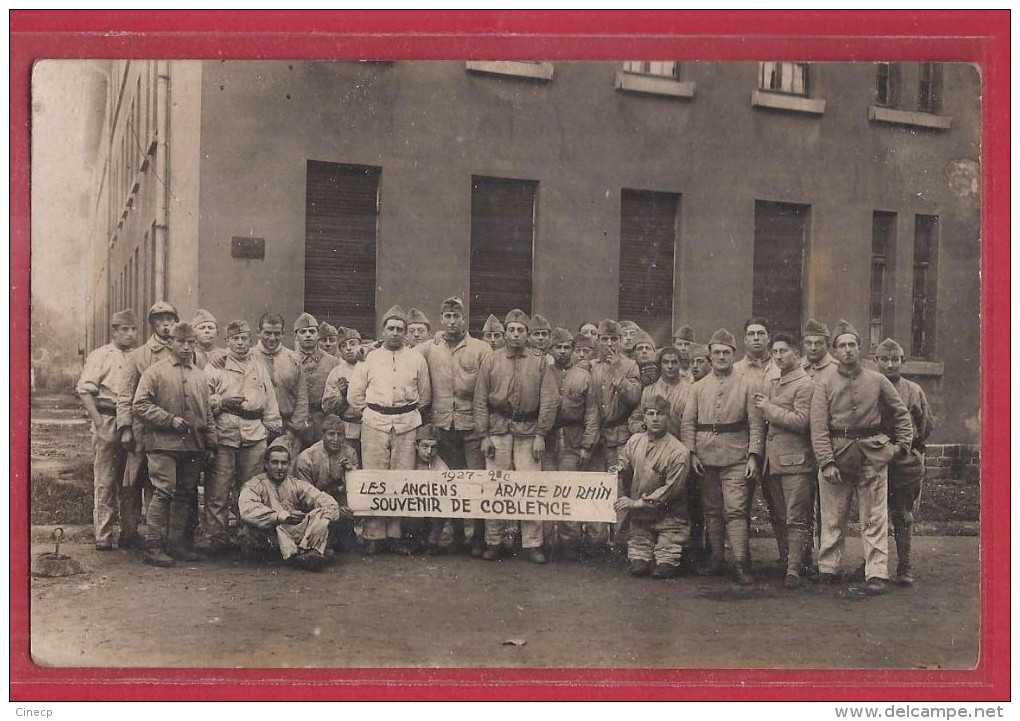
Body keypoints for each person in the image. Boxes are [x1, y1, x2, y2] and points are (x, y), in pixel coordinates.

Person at [810, 320, 913, 595]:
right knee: (833, 516)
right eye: (841, 345)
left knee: (874, 516)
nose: (847, 350)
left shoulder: (877, 379)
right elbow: (818, 425)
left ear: (860, 348)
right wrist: (826, 461)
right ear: (835, 349)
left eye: (852, 345)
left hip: (872, 454)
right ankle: (828, 568)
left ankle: (876, 571)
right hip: (837, 453)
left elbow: (901, 413)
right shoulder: (824, 382)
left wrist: (901, 446)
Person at [680, 328, 765, 586]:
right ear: (709, 355)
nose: (721, 357)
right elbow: (688, 423)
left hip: (737, 456)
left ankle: (740, 562)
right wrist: (692, 453)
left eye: (726, 353)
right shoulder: (697, 387)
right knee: (712, 510)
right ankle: (717, 558)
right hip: (705, 458)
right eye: (716, 352)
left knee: (736, 510)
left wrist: (753, 456)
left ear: (733, 354)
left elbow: (756, 423)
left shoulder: (747, 384)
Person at [473, 309, 559, 563]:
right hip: (498, 430)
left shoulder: (540, 362)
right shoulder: (491, 360)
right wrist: (484, 435)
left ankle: (533, 544)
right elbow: (480, 400)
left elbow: (549, 400)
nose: (516, 334)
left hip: (528, 432)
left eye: (521, 330)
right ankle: (494, 540)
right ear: (505, 333)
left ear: (527, 334)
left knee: (530, 488)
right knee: (495, 487)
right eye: (511, 330)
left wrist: (541, 434)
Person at [131, 322, 217, 566]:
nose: (187, 347)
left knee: (185, 494)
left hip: (193, 446)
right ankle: (153, 545)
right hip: (163, 444)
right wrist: (169, 420)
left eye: (191, 342)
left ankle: (176, 545)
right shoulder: (155, 372)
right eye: (181, 342)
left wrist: (211, 442)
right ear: (171, 343)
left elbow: (207, 412)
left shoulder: (200, 376)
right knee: (163, 491)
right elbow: (139, 406)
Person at [348, 305, 432, 554]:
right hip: (375, 422)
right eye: (390, 328)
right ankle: (374, 535)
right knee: (375, 477)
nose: (395, 333)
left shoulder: (416, 358)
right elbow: (354, 394)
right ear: (383, 330)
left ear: (405, 332)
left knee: (401, 478)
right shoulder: (369, 358)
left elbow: (425, 395)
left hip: (406, 423)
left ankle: (395, 535)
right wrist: (372, 412)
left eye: (400, 329)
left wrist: (405, 413)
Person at [416, 296, 491, 555]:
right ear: (441, 319)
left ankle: (478, 537)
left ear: (464, 319)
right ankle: (458, 536)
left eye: (456, 316)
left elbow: (485, 392)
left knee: (476, 482)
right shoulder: (429, 348)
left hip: (471, 426)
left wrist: (484, 430)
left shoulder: (481, 349)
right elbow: (404, 357)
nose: (451, 321)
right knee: (449, 483)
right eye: (446, 316)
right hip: (443, 427)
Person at [203, 319, 283, 552]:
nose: (240, 343)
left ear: (251, 340)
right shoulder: (215, 366)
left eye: (244, 339)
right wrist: (221, 401)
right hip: (225, 433)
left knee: (250, 488)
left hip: (254, 433)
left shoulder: (258, 365)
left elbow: (270, 400)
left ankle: (247, 535)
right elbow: (203, 400)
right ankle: (215, 537)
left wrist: (269, 428)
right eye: (235, 339)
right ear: (227, 341)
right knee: (218, 488)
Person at [752, 332, 816, 589]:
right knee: (778, 515)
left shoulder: (805, 384)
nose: (778, 356)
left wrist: (769, 409)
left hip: (796, 462)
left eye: (784, 351)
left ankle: (794, 569)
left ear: (797, 354)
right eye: (775, 351)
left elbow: (802, 421)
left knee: (796, 516)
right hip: (773, 462)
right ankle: (787, 559)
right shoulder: (774, 382)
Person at [115, 300, 179, 549]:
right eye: (161, 320)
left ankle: (158, 537)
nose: (166, 325)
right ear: (152, 324)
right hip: (142, 431)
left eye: (170, 320)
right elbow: (125, 395)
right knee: (133, 483)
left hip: (169, 431)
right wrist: (125, 428)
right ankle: (129, 533)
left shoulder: (182, 352)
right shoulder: (138, 355)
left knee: (161, 484)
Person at [874, 337, 936, 585]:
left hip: (903, 461)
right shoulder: (871, 386)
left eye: (895, 359)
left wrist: (910, 447)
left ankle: (904, 566)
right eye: (884, 359)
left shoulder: (913, 390)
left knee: (903, 513)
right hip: (876, 457)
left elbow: (925, 425)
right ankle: (873, 565)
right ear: (876, 361)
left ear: (902, 361)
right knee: (875, 514)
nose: (890, 364)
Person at [77, 308, 138, 550]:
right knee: (106, 480)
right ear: (115, 331)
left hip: (132, 422)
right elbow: (85, 391)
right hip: (107, 418)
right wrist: (99, 423)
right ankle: (103, 534)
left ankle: (129, 533)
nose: (130, 334)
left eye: (134, 329)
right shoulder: (101, 355)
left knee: (131, 481)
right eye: (125, 329)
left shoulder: (140, 356)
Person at [612, 395, 691, 579]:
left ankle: (668, 554)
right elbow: (625, 461)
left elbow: (671, 491)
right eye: (650, 414)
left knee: (665, 567)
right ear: (644, 418)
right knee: (639, 566)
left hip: (670, 518)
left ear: (667, 417)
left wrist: (636, 503)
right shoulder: (635, 441)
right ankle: (643, 552)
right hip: (641, 519)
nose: (655, 418)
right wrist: (620, 468)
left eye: (660, 414)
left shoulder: (679, 451)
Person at [238, 438, 342, 571]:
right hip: (271, 532)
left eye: (284, 463)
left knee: (322, 514)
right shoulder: (255, 485)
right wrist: (279, 517)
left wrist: (326, 515)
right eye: (275, 463)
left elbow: (325, 499)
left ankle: (309, 553)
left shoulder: (295, 484)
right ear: (266, 464)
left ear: (289, 465)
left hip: (293, 531)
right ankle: (304, 554)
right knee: (270, 529)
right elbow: (247, 510)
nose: (280, 467)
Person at [543, 328, 600, 561]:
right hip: (547, 439)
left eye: (568, 347)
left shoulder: (584, 376)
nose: (563, 351)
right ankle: (546, 541)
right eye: (559, 347)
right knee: (546, 490)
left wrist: (587, 445)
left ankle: (569, 541)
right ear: (551, 349)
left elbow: (592, 413)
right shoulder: (543, 372)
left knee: (568, 489)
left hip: (573, 438)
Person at [587, 319, 642, 554]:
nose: (609, 344)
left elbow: (634, 398)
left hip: (619, 435)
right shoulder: (589, 365)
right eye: (604, 339)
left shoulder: (630, 365)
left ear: (620, 341)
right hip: (595, 435)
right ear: (597, 341)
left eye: (614, 339)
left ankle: (619, 541)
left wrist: (617, 374)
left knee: (619, 487)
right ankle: (596, 540)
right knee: (596, 486)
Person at [293, 414, 360, 553]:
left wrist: (351, 474)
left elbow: (355, 489)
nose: (336, 439)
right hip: (314, 506)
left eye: (339, 435)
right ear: (323, 434)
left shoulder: (350, 453)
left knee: (350, 549)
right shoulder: (307, 458)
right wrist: (331, 509)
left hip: (340, 503)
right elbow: (304, 496)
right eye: (331, 434)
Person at [253, 313, 310, 460]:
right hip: (257, 428)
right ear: (258, 332)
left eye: (277, 333)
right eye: (267, 333)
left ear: (283, 334)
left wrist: (293, 429)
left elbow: (302, 397)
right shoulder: (249, 357)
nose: (272, 338)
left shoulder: (294, 359)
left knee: (285, 472)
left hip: (288, 427)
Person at [294, 312, 340, 444]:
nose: (308, 335)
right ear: (296, 336)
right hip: (297, 420)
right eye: (303, 332)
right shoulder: (289, 359)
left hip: (324, 419)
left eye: (312, 331)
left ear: (318, 334)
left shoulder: (333, 362)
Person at [409, 424, 455, 554]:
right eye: (425, 447)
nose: (429, 452)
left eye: (433, 448)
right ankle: (413, 540)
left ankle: (432, 541)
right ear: (416, 446)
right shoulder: (408, 462)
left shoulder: (441, 467)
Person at [628, 345, 690, 439]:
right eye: (665, 362)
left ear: (680, 364)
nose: (670, 366)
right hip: (653, 445)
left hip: (680, 445)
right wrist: (644, 428)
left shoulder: (690, 391)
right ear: (660, 364)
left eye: (674, 362)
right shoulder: (648, 391)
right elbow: (635, 419)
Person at [321, 326, 365, 458]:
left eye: (353, 344)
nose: (349, 348)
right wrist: (343, 396)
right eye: (343, 346)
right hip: (347, 429)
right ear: (339, 351)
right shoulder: (336, 372)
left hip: (372, 427)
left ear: (360, 345)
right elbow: (327, 407)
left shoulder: (372, 366)